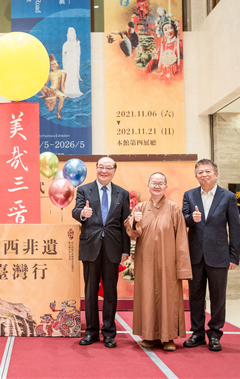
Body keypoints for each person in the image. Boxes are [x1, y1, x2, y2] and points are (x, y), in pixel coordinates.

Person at [125, 173, 192, 351]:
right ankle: (149, 336)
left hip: (168, 262)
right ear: (147, 186)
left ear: (165, 187)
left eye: (160, 183)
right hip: (145, 262)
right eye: (154, 183)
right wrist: (134, 222)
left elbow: (182, 240)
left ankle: (168, 337)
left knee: (168, 298)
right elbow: (132, 234)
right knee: (147, 297)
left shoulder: (173, 209)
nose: (157, 186)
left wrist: (182, 267)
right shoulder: (139, 207)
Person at [71, 157, 131, 348]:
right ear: (96, 169)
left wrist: (126, 250)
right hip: (90, 246)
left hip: (113, 247)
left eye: (108, 168)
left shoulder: (122, 193)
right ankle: (91, 332)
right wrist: (82, 214)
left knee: (110, 292)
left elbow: (125, 224)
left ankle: (109, 333)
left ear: (114, 170)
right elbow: (75, 211)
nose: (104, 171)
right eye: (101, 167)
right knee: (90, 291)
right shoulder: (83, 189)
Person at [182, 159, 240, 352]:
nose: (204, 175)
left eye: (208, 171)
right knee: (195, 296)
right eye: (200, 172)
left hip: (219, 255)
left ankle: (215, 333)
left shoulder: (228, 197)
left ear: (216, 174)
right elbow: (182, 220)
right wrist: (192, 219)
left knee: (218, 297)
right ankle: (197, 333)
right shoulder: (189, 195)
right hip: (195, 255)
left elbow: (235, 228)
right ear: (196, 176)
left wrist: (234, 256)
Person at [146, 10, 182, 81]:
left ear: (174, 29)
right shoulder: (162, 46)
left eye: (170, 28)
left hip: (177, 77)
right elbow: (154, 59)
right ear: (163, 33)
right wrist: (145, 73)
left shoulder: (180, 44)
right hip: (164, 77)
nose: (168, 32)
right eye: (165, 30)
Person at [39, 54, 67, 120]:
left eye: (55, 64)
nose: (54, 66)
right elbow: (45, 84)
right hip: (49, 89)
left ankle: (58, 113)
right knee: (39, 86)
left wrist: (63, 93)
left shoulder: (62, 72)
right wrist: (43, 90)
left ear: (57, 64)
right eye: (52, 65)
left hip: (56, 91)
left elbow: (62, 84)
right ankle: (45, 94)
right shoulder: (49, 74)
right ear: (50, 67)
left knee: (62, 97)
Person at [62, 27, 83, 99]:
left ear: (75, 36)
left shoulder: (76, 44)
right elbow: (63, 56)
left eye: (72, 36)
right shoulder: (65, 44)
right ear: (67, 36)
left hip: (74, 63)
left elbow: (78, 56)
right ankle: (67, 90)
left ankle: (74, 90)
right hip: (68, 63)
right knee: (68, 76)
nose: (71, 37)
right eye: (70, 36)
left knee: (73, 76)